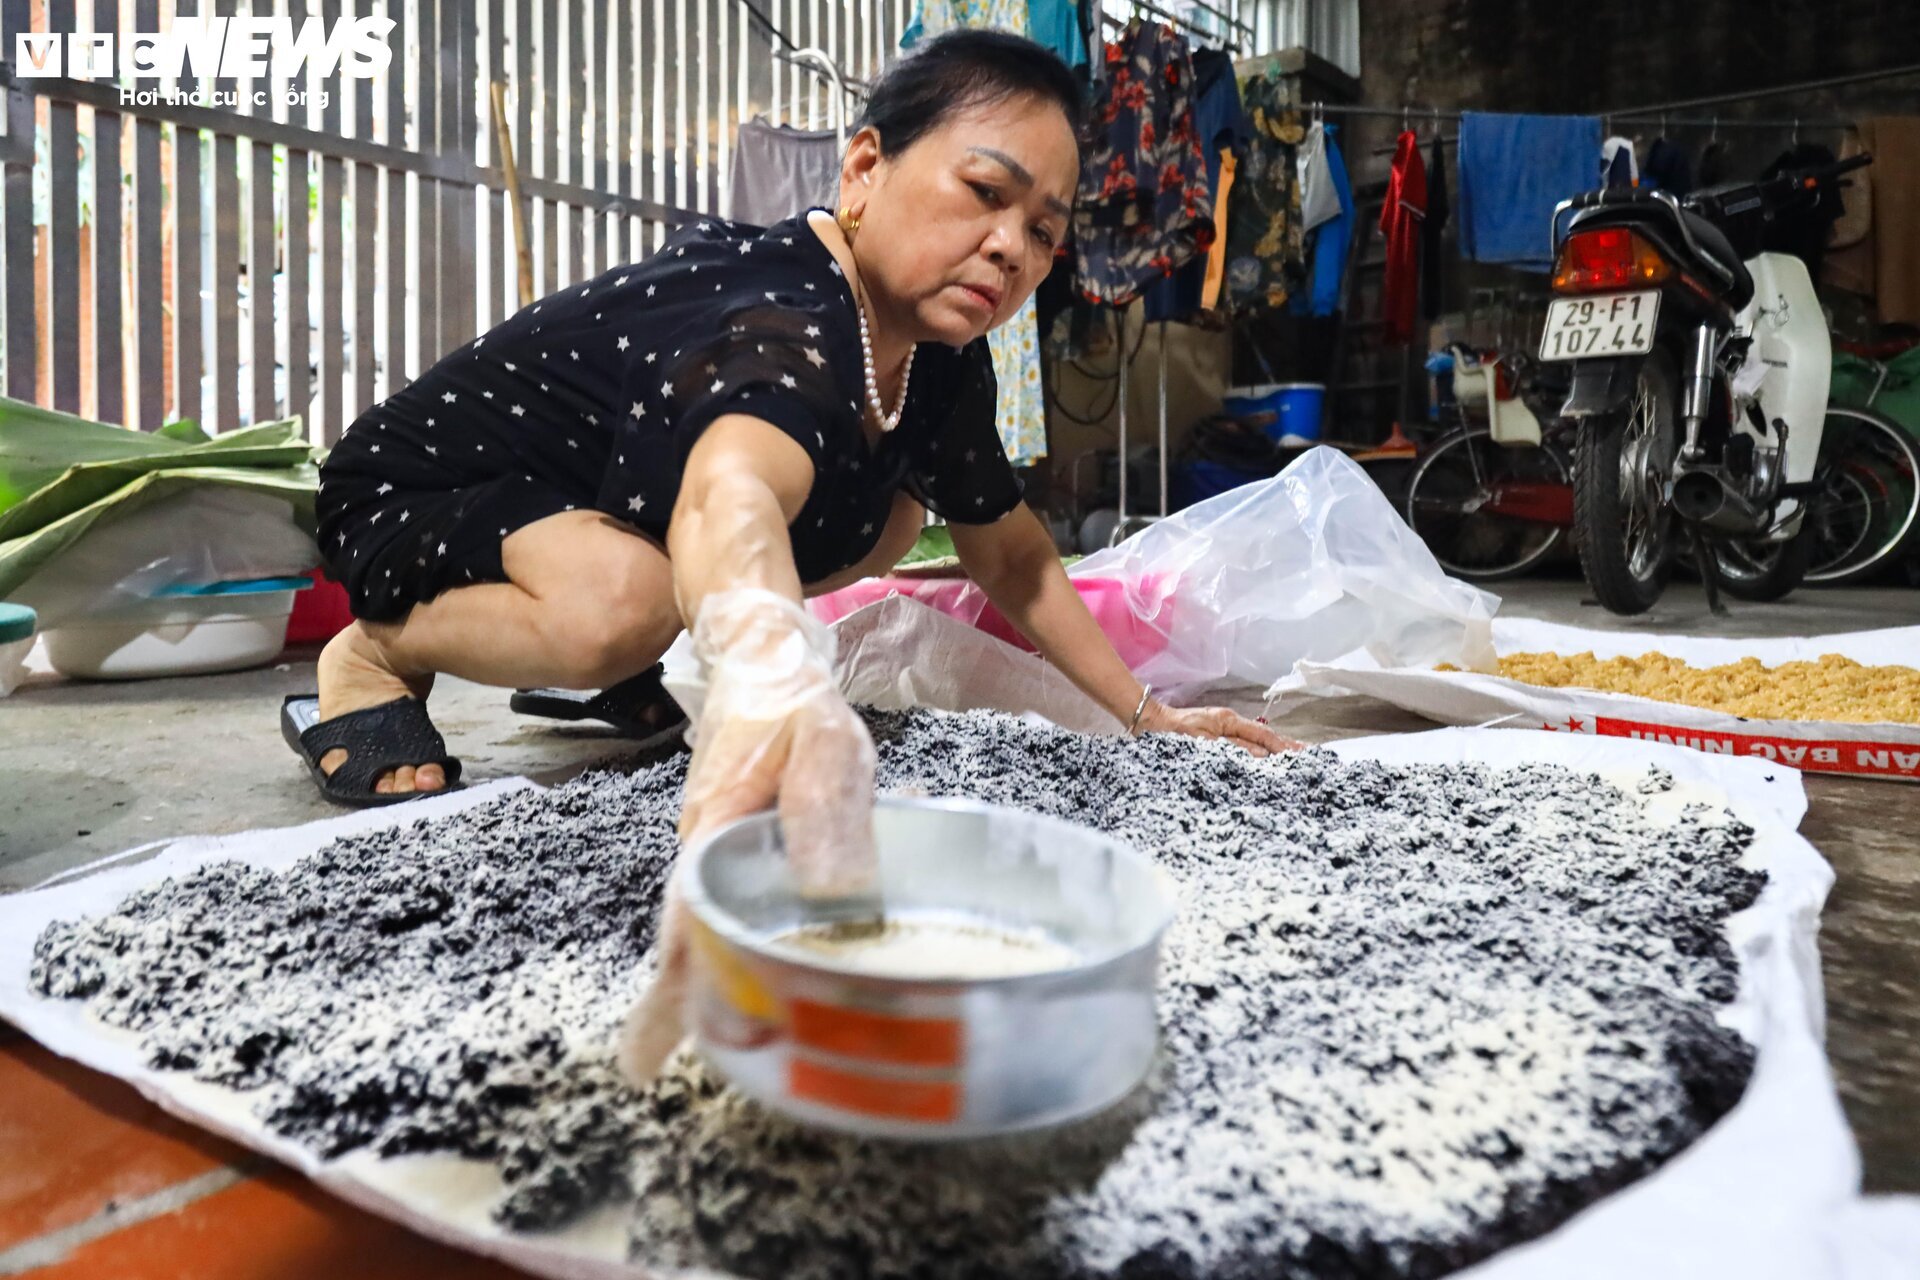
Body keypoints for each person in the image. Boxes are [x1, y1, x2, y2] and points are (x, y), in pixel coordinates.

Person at [281, 31, 1297, 1074]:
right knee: (620, 605)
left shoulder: (941, 359)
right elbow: (734, 486)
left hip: (574, 501)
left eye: (1044, 230)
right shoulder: (780, 308)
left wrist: (1145, 714)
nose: (1010, 248)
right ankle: (371, 653)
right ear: (864, 170)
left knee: (894, 515)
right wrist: (765, 661)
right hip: (422, 490)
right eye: (984, 192)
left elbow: (1015, 553)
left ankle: (635, 635)